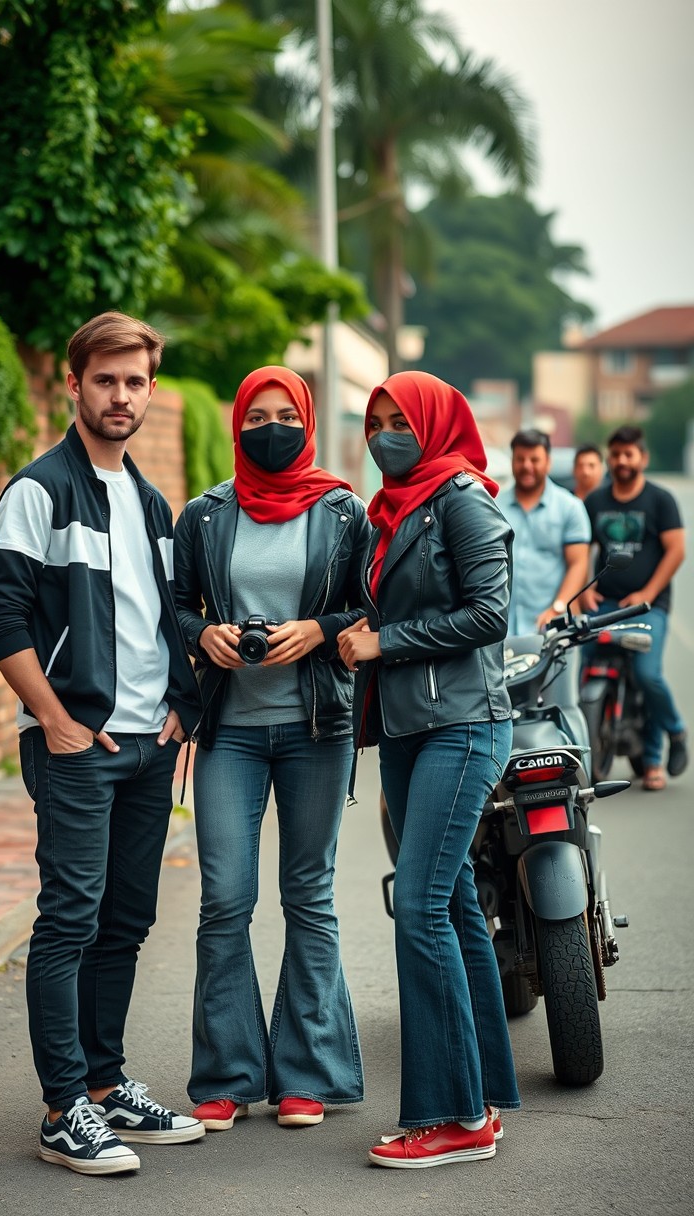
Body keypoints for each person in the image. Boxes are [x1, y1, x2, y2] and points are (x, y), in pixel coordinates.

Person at [0, 312, 205, 1175]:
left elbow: (165, 619)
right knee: (70, 918)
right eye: (105, 380)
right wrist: (58, 721)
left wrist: (179, 703)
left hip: (149, 746)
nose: (121, 396)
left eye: (135, 381)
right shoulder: (39, 490)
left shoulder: (150, 503)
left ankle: (106, 1088)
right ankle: (63, 1106)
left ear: (149, 388)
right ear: (74, 385)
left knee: (126, 921)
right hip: (80, 748)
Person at [173, 366, 371, 1132]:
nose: (271, 426)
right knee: (224, 899)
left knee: (308, 896)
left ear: (309, 418)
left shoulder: (344, 509)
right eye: (256, 415)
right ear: (235, 424)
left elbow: (373, 600)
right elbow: (175, 607)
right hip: (229, 731)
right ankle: (226, 1075)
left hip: (318, 727)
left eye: (286, 413)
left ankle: (307, 1075)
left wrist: (320, 629)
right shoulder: (205, 514)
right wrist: (206, 635)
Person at [337, 370, 519, 1170]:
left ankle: (452, 1117)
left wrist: (386, 642)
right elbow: (379, 609)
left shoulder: (461, 498)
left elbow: (490, 613)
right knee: (446, 906)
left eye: (398, 420)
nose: (384, 434)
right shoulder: (390, 510)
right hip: (411, 730)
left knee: (416, 908)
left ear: (438, 424)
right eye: (376, 421)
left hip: (463, 727)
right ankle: (483, 1098)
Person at [583, 424, 687, 791]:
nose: (622, 461)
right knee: (576, 658)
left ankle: (667, 742)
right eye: (616, 454)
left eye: (629, 454)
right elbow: (581, 549)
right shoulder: (595, 501)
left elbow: (676, 550)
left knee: (647, 674)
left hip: (648, 607)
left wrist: (647, 592)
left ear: (642, 458)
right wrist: (584, 592)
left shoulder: (660, 500)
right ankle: (580, 750)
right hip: (605, 604)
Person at [498, 428, 591, 633]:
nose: (527, 466)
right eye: (520, 459)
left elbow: (578, 563)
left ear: (548, 462)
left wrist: (558, 607)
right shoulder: (494, 506)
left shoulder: (570, 507)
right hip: (500, 629)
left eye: (534, 459)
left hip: (550, 627)